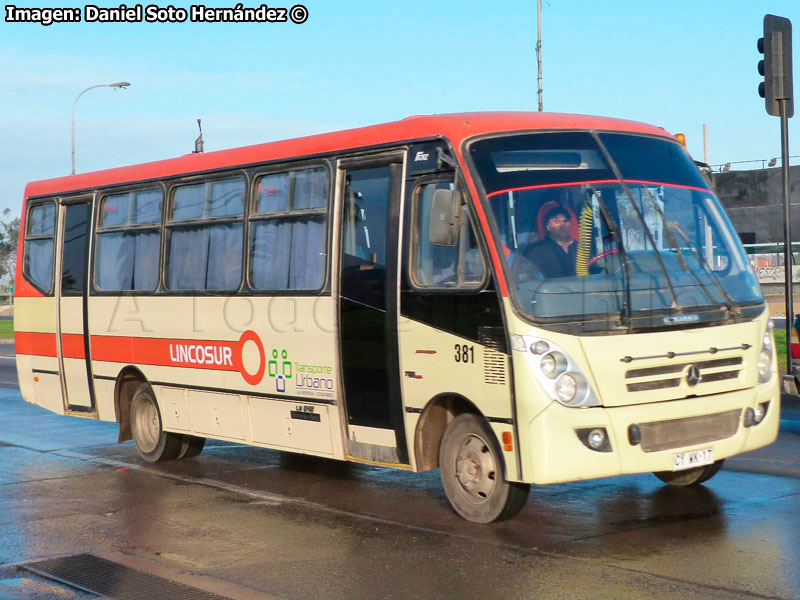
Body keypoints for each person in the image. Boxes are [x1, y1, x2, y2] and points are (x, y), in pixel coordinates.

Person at [525, 206, 577, 279]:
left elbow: (594, 271)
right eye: (557, 222)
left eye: (565, 221)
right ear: (548, 227)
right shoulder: (537, 251)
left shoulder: (581, 247)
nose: (562, 225)